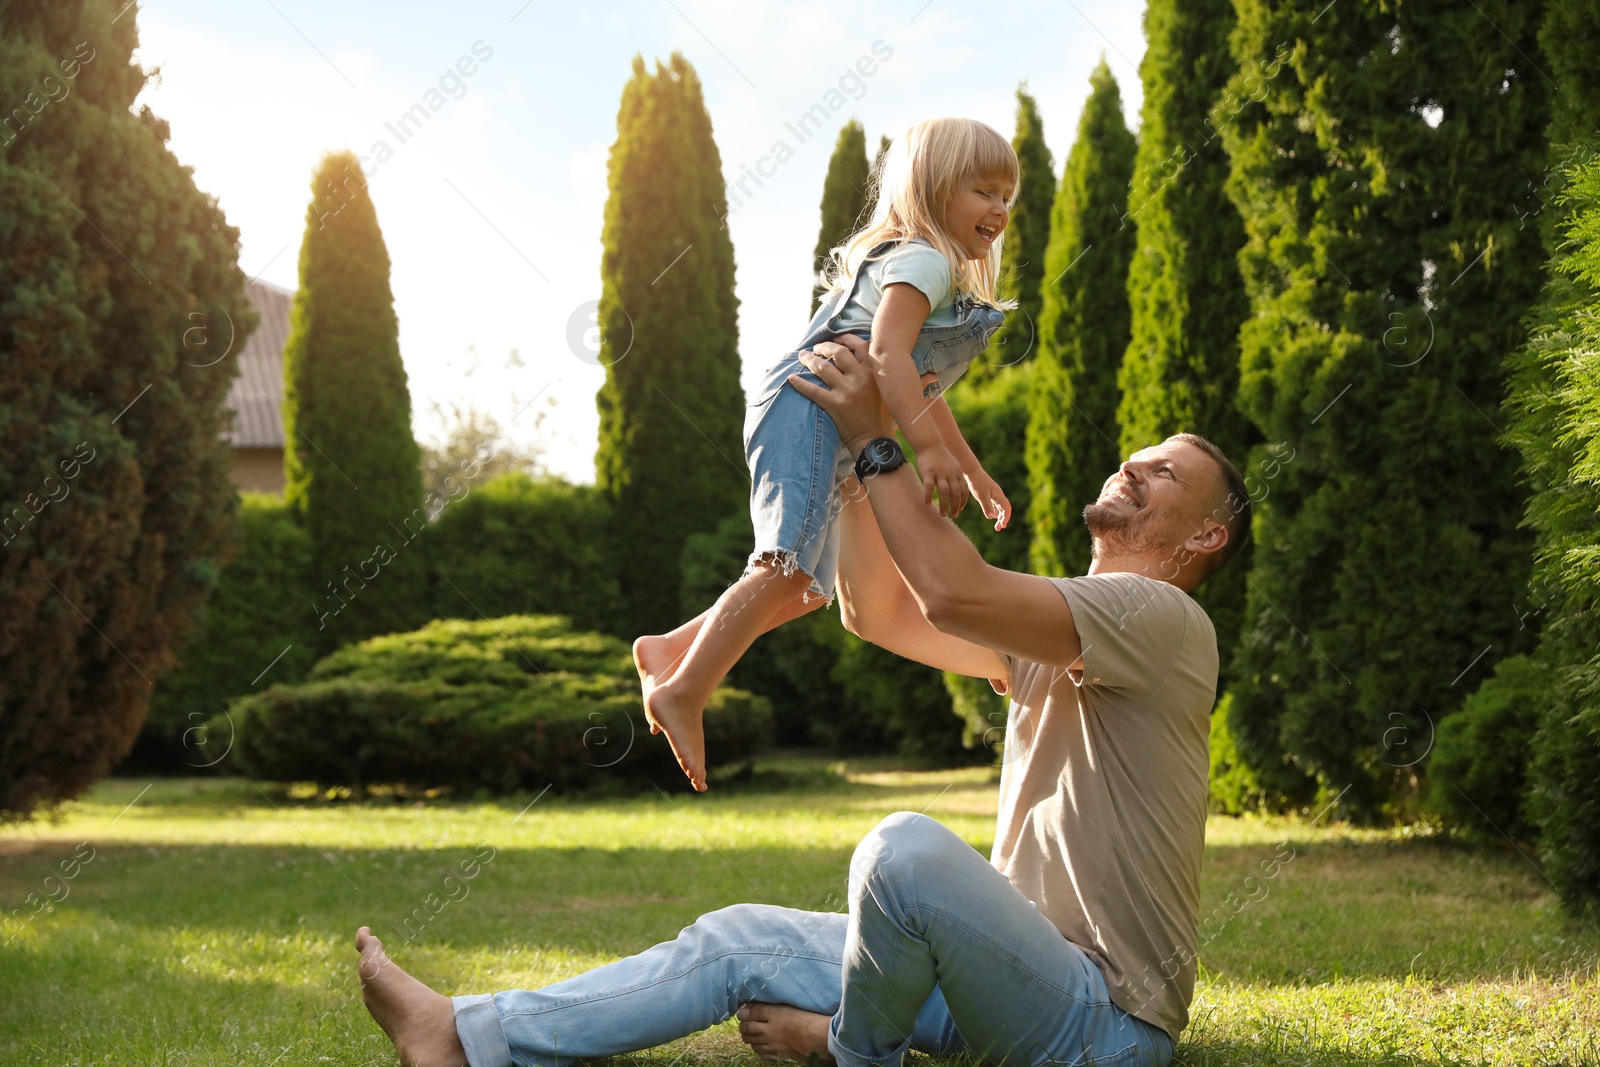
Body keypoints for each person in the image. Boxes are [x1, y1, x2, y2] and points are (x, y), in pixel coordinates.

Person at [351, 334, 1252, 1067]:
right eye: (1137, 457)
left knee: (901, 852)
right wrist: (852, 472)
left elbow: (953, 591)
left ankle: (855, 1052)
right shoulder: (1064, 634)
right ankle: (467, 1037)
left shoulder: (1163, 617)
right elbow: (881, 608)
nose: (1133, 466)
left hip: (1103, 1024)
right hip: (1001, 981)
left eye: (1165, 474)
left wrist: (877, 434)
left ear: (1206, 533)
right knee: (739, 939)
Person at [634, 117, 1019, 793]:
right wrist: (927, 453)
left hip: (821, 418)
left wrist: (973, 468)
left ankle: (672, 649)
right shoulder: (924, 259)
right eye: (983, 189)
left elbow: (922, 384)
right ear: (933, 188)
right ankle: (686, 688)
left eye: (1007, 196)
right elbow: (888, 356)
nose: (999, 207)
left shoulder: (934, 270)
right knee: (784, 567)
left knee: (807, 588)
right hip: (807, 406)